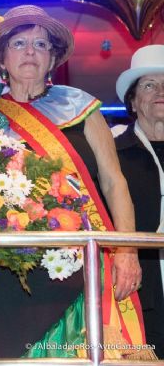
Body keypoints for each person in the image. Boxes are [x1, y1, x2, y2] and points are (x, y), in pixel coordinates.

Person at [0, 5, 152, 359]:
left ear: (53, 59)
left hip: (79, 262)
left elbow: (114, 183)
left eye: (40, 44)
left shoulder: (81, 108)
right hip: (7, 268)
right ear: (1, 59)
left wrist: (127, 251)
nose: (30, 51)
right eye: (18, 43)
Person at [114, 44, 164, 358]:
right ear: (133, 101)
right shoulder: (112, 154)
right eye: (150, 85)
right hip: (138, 292)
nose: (161, 91)